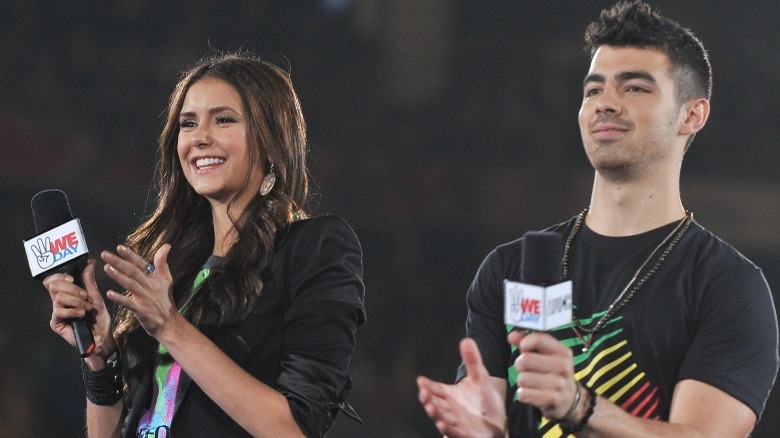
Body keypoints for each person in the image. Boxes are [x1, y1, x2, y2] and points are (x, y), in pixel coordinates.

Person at [417, 1, 779, 437]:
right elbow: (485, 415)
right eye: (593, 90)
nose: (606, 103)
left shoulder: (727, 285)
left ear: (692, 114)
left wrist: (580, 406)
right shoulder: (508, 269)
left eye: (635, 88)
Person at [44, 51, 366, 437]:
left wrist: (171, 328)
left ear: (271, 140)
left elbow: (294, 429)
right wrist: (100, 356)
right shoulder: (173, 264)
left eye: (224, 120)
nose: (199, 138)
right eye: (188, 123)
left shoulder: (314, 248)